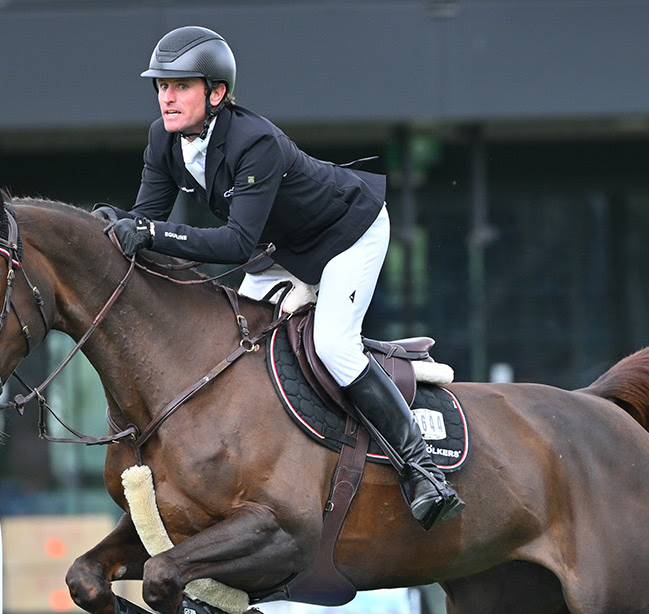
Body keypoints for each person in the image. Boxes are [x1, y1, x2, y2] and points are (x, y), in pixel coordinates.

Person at [98, 25, 463, 530]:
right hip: (281, 248)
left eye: (181, 86)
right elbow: (148, 218)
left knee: (333, 345)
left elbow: (233, 243)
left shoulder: (256, 142)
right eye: (162, 86)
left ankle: (421, 470)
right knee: (233, 341)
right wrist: (114, 225)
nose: (167, 97)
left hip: (346, 235)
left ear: (217, 93)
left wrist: (150, 232)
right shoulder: (162, 138)